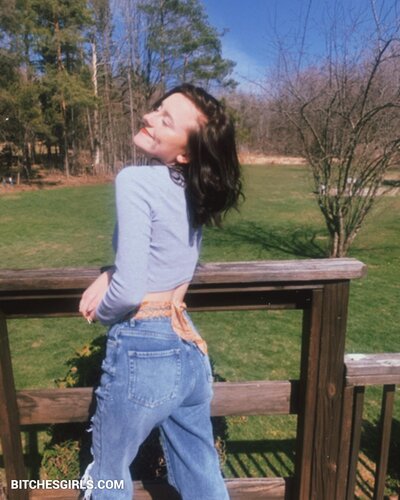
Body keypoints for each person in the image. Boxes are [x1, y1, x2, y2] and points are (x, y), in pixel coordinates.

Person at [79, 83, 243, 499]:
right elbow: (170, 266)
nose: (149, 118)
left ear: (185, 153)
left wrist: (102, 312)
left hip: (143, 346)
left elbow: (129, 291)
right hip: (188, 346)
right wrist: (112, 271)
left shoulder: (135, 180)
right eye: (157, 109)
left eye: (165, 120)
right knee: (201, 474)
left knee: (109, 477)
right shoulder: (195, 192)